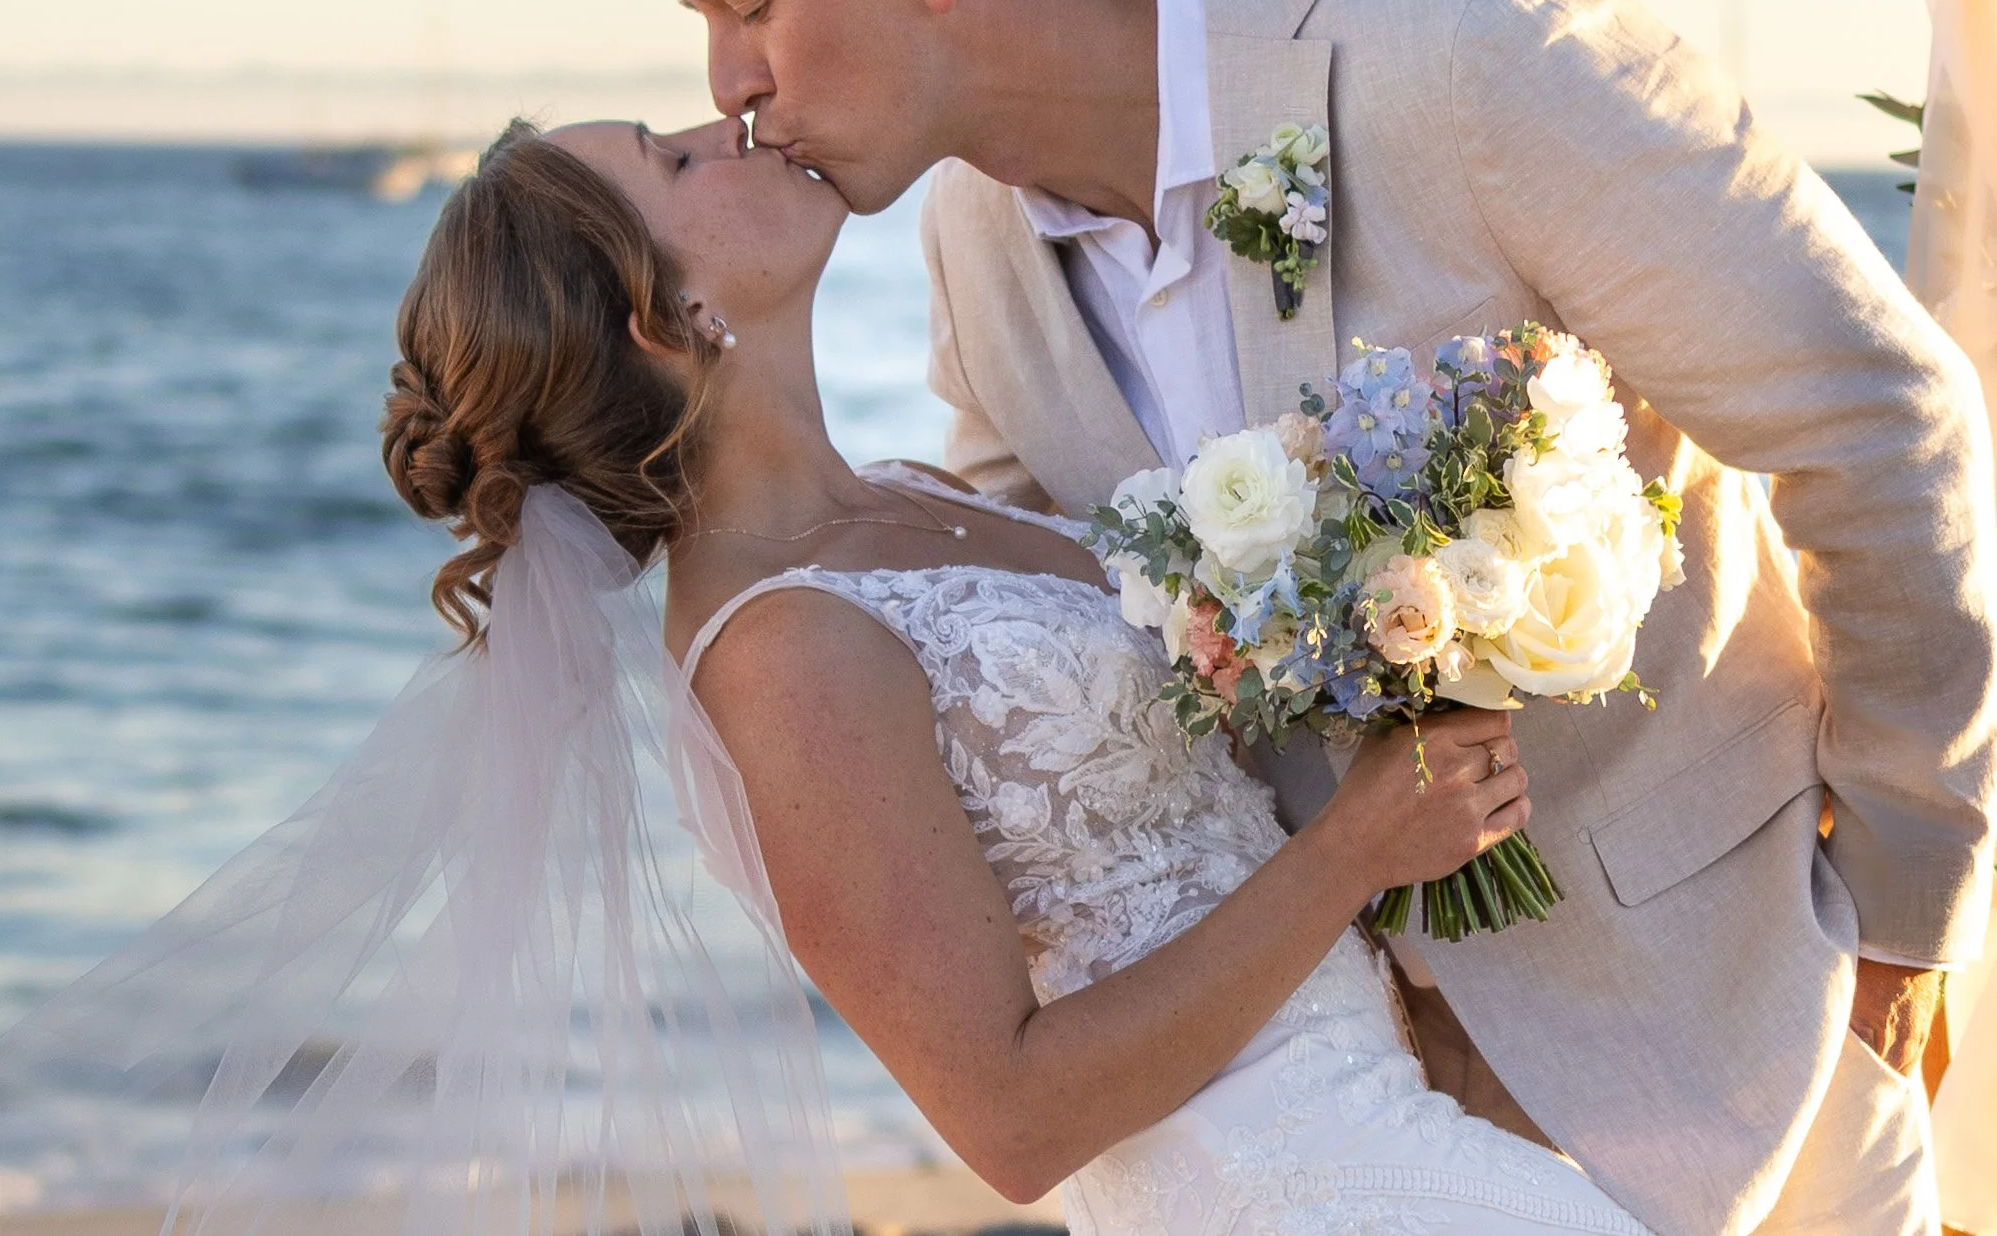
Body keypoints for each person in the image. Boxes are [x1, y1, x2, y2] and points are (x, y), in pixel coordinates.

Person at [642, 0, 1997, 1236]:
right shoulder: (974, 247)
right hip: (1346, 1131)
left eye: (745, 4)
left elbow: (1874, 419)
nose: (726, 84)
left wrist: (1907, 916)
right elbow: (1084, 651)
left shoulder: (1469, 58)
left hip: (1731, 1037)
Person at [376, 112, 1649, 1232]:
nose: (727, 123)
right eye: (674, 157)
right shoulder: (779, 657)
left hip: (1392, 1121)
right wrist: (1356, 849)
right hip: (1278, 1190)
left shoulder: (912, 498)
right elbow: (1013, 1121)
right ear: (670, 317)